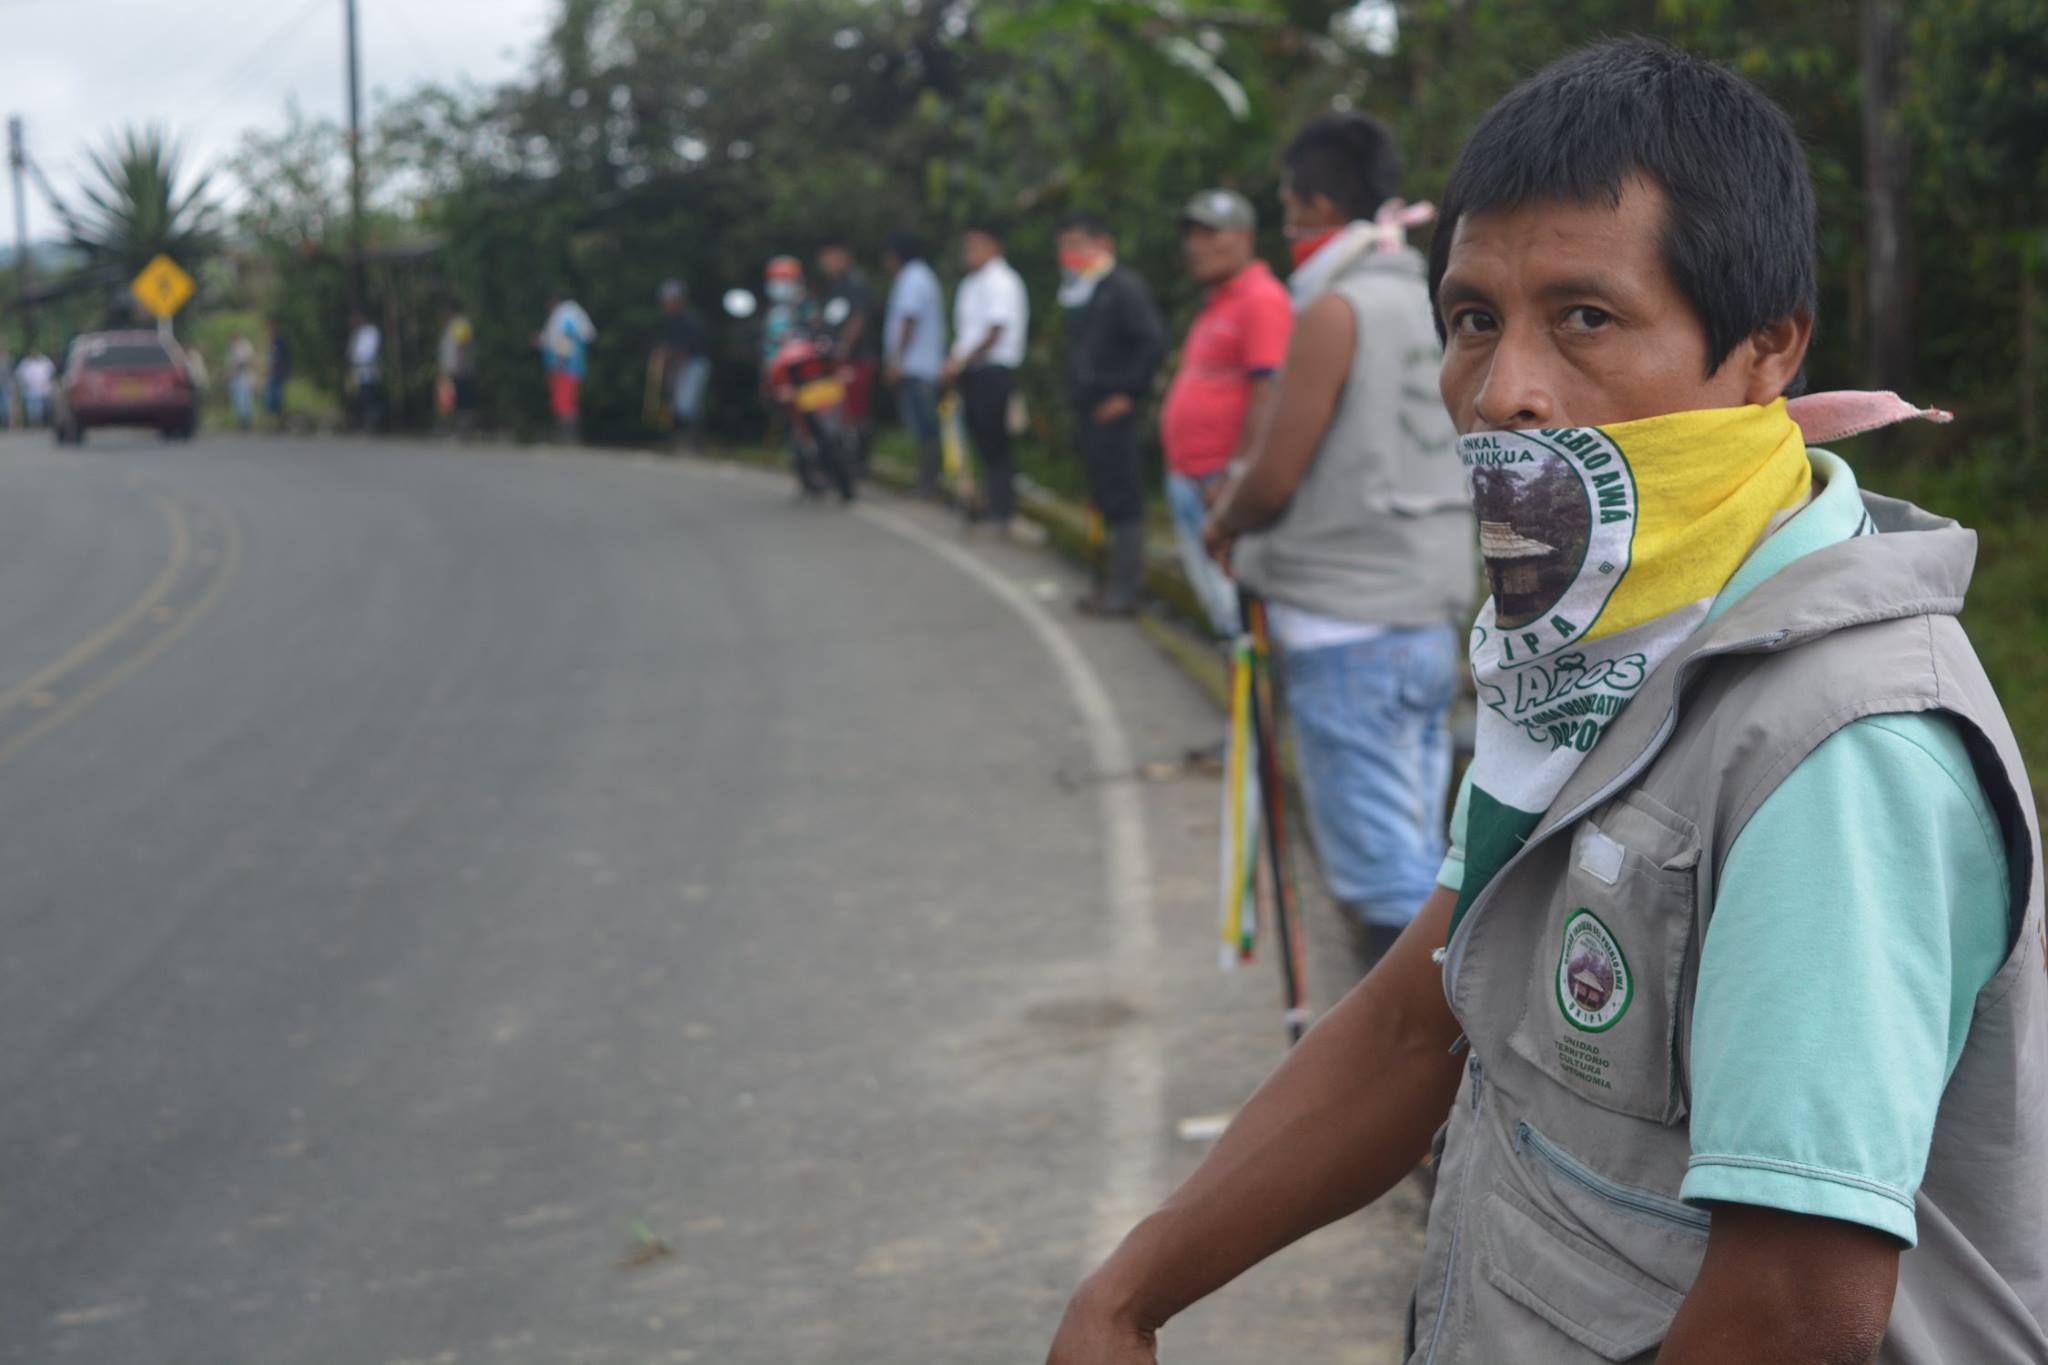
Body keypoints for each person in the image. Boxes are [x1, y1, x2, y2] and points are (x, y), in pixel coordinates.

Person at [1053, 39, 2046, 1365]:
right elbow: (1422, 1015)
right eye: (1475, 319)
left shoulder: (1836, 749)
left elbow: (1795, 1308)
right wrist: (1129, 1290)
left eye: (1586, 316)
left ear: (1768, 348)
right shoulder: (1595, 650)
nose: (1505, 389)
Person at [1203, 112, 1474, 956]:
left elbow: (1277, 473)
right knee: (1422, 850)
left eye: (1287, 208)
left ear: (1315, 201)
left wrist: (1225, 520)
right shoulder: (1439, 299)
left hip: (1345, 616)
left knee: (1381, 878)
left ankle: (1414, 1066)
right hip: (1430, 607)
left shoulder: (1334, 309)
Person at [1158, 189, 1293, 639]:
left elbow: (1268, 392)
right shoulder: (1219, 300)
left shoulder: (1260, 299)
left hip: (1220, 484)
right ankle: (1247, 703)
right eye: (1193, 235)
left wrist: (1236, 474)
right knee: (1222, 608)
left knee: (1241, 610)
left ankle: (1259, 706)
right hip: (1194, 478)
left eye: (1211, 234)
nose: (1197, 246)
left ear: (1245, 238)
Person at [1056, 214, 1166, 616]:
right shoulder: (1086, 290)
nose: (1070, 254)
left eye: (1078, 244)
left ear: (1103, 243)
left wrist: (1128, 394)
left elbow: (1151, 342)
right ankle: (1107, 583)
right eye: (1065, 246)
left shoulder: (1123, 288)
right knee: (1103, 496)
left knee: (1124, 499)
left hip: (1113, 410)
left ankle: (1125, 589)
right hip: (1090, 410)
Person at [940, 224, 1029, 534]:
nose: (970, 252)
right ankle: (983, 504)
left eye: (976, 245)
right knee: (977, 441)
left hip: (993, 371)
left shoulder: (1002, 282)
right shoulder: (971, 283)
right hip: (972, 372)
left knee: (996, 444)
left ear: (995, 246)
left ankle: (1001, 513)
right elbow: (967, 332)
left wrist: (961, 362)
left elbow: (995, 330)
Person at [883, 233, 948, 496]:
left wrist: (897, 360)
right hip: (921, 365)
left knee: (925, 427)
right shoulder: (921, 276)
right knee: (924, 427)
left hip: (917, 366)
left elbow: (909, 321)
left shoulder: (913, 279)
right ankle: (927, 481)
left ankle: (929, 483)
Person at [816, 241, 877, 472]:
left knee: (854, 411)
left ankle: (859, 462)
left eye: (830, 257)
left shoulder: (855, 284)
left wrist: (844, 346)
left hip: (855, 358)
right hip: (831, 358)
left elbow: (858, 318)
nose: (826, 263)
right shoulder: (833, 286)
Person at [655, 279, 709, 450]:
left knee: (686, 404)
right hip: (683, 365)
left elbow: (683, 352)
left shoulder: (687, 320)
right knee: (680, 404)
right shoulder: (671, 321)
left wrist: (674, 372)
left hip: (694, 365)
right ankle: (684, 441)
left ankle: (692, 443)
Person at [535, 290, 596, 442]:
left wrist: (560, 361)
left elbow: (566, 337)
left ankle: (568, 437)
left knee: (564, 401)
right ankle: (567, 436)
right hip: (568, 365)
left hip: (566, 366)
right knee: (567, 400)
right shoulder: (569, 313)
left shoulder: (566, 314)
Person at [437, 299, 478, 439]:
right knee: (450, 401)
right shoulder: (452, 325)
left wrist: (460, 365)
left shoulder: (460, 324)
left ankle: (464, 431)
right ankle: (455, 429)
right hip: (452, 370)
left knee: (462, 400)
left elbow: (461, 346)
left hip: (460, 370)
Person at [346, 311, 384, 434]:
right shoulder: (358, 333)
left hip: (369, 373)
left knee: (369, 399)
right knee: (361, 399)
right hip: (359, 374)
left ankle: (372, 425)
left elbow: (367, 353)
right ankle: (364, 424)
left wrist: (357, 361)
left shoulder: (370, 332)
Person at [15, 346, 56, 427]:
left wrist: (48, 383)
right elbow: (19, 375)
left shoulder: (45, 361)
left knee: (43, 408)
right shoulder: (25, 363)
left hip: (43, 389)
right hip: (30, 390)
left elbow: (51, 372)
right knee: (32, 409)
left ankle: (42, 422)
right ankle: (34, 423)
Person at [224, 331, 257, 432]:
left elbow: (246, 362)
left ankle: (246, 425)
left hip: (243, 379)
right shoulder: (232, 348)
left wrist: (235, 371)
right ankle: (242, 424)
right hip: (235, 380)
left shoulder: (244, 347)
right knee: (238, 403)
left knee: (244, 403)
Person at [264, 317, 290, 429]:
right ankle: (272, 424)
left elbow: (282, 359)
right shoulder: (272, 342)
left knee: (278, 399)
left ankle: (280, 424)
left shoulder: (280, 342)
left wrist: (280, 370)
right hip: (272, 374)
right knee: (270, 400)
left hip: (278, 374)